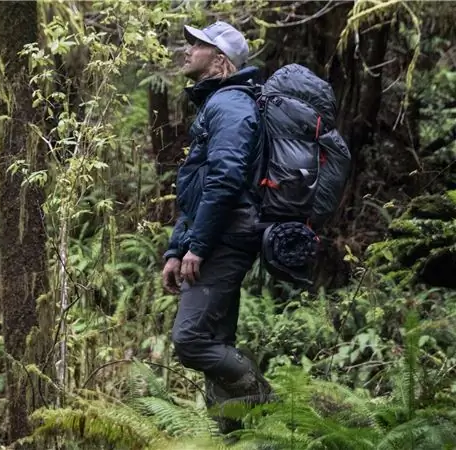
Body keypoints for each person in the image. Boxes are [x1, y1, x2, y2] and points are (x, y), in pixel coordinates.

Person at [161, 21, 273, 434]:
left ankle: (269, 404)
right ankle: (236, 437)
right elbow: (198, 188)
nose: (187, 49)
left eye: (198, 44)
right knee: (216, 343)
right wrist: (177, 248)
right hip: (215, 236)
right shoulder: (219, 103)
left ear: (220, 60)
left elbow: (226, 180)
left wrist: (199, 245)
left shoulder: (230, 105)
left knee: (191, 341)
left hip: (226, 237)